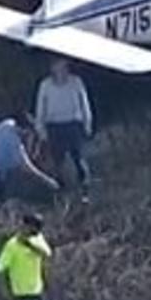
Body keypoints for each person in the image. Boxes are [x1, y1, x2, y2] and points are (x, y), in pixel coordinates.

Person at [34, 58, 93, 202]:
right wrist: (41, 130)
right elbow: (40, 108)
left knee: (78, 158)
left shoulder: (76, 82)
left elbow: (84, 103)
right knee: (57, 162)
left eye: (64, 66)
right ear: (52, 68)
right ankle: (60, 193)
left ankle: (85, 192)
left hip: (73, 124)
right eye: (57, 66)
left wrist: (88, 123)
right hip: (54, 126)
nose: (61, 70)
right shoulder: (45, 85)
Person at [0, 115, 60, 201]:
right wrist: (48, 181)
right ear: (24, 130)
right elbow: (27, 167)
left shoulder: (7, 123)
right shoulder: (14, 143)